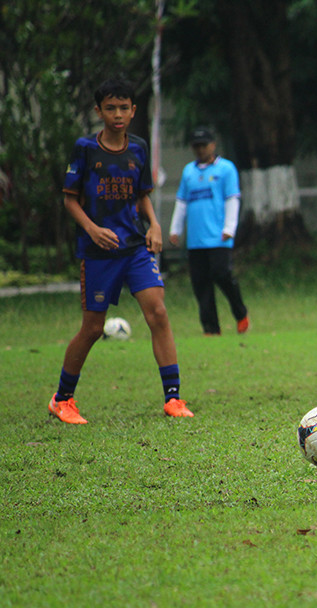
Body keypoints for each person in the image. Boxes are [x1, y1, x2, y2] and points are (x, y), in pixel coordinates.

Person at [49, 76, 193, 424]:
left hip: (133, 248)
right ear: (99, 111)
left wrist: (155, 225)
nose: (117, 114)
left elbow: (141, 194)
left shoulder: (138, 148)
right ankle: (62, 398)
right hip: (98, 253)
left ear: (133, 111)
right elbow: (70, 200)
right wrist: (92, 229)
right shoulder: (85, 149)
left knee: (157, 312)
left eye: (124, 108)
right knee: (93, 328)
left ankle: (173, 398)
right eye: (110, 108)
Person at [168, 127, 249, 336]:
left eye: (203, 145)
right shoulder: (189, 172)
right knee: (200, 283)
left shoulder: (226, 169)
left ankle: (240, 312)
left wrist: (230, 228)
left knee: (222, 274)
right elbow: (182, 202)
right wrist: (175, 229)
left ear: (213, 145)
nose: (200, 149)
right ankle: (211, 329)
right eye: (196, 146)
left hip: (219, 236)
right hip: (196, 239)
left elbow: (232, 199)